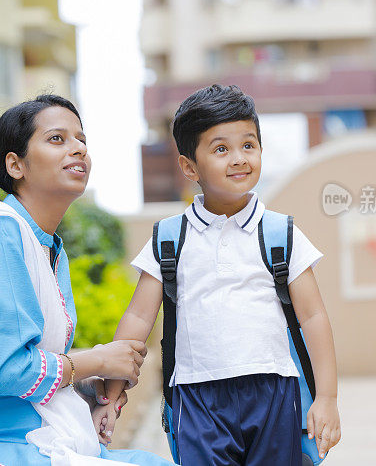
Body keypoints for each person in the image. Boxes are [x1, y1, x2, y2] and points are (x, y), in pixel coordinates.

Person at [0, 95, 175, 466]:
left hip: (26, 440)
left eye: (81, 140)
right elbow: (8, 372)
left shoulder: (48, 248)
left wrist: (89, 387)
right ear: (15, 165)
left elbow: (31, 362)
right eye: (57, 139)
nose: (78, 149)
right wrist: (96, 360)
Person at [94, 85, 341, 465]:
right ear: (189, 167)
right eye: (221, 149)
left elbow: (313, 317)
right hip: (196, 398)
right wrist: (112, 395)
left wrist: (326, 399)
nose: (239, 158)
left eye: (248, 144)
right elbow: (138, 318)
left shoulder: (281, 234)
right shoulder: (169, 239)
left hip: (274, 391)